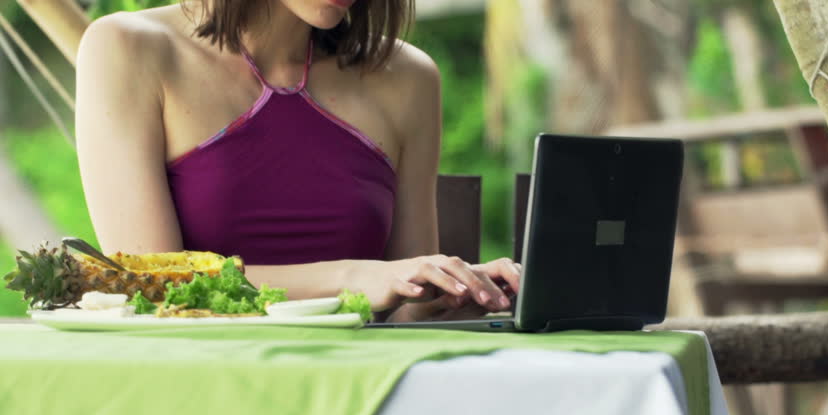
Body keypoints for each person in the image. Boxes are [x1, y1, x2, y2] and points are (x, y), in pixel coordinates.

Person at [75, 0, 520, 323]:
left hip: (357, 399)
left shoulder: (407, 76)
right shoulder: (127, 48)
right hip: (197, 394)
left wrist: (455, 291)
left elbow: (404, 314)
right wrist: (352, 277)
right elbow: (150, 283)